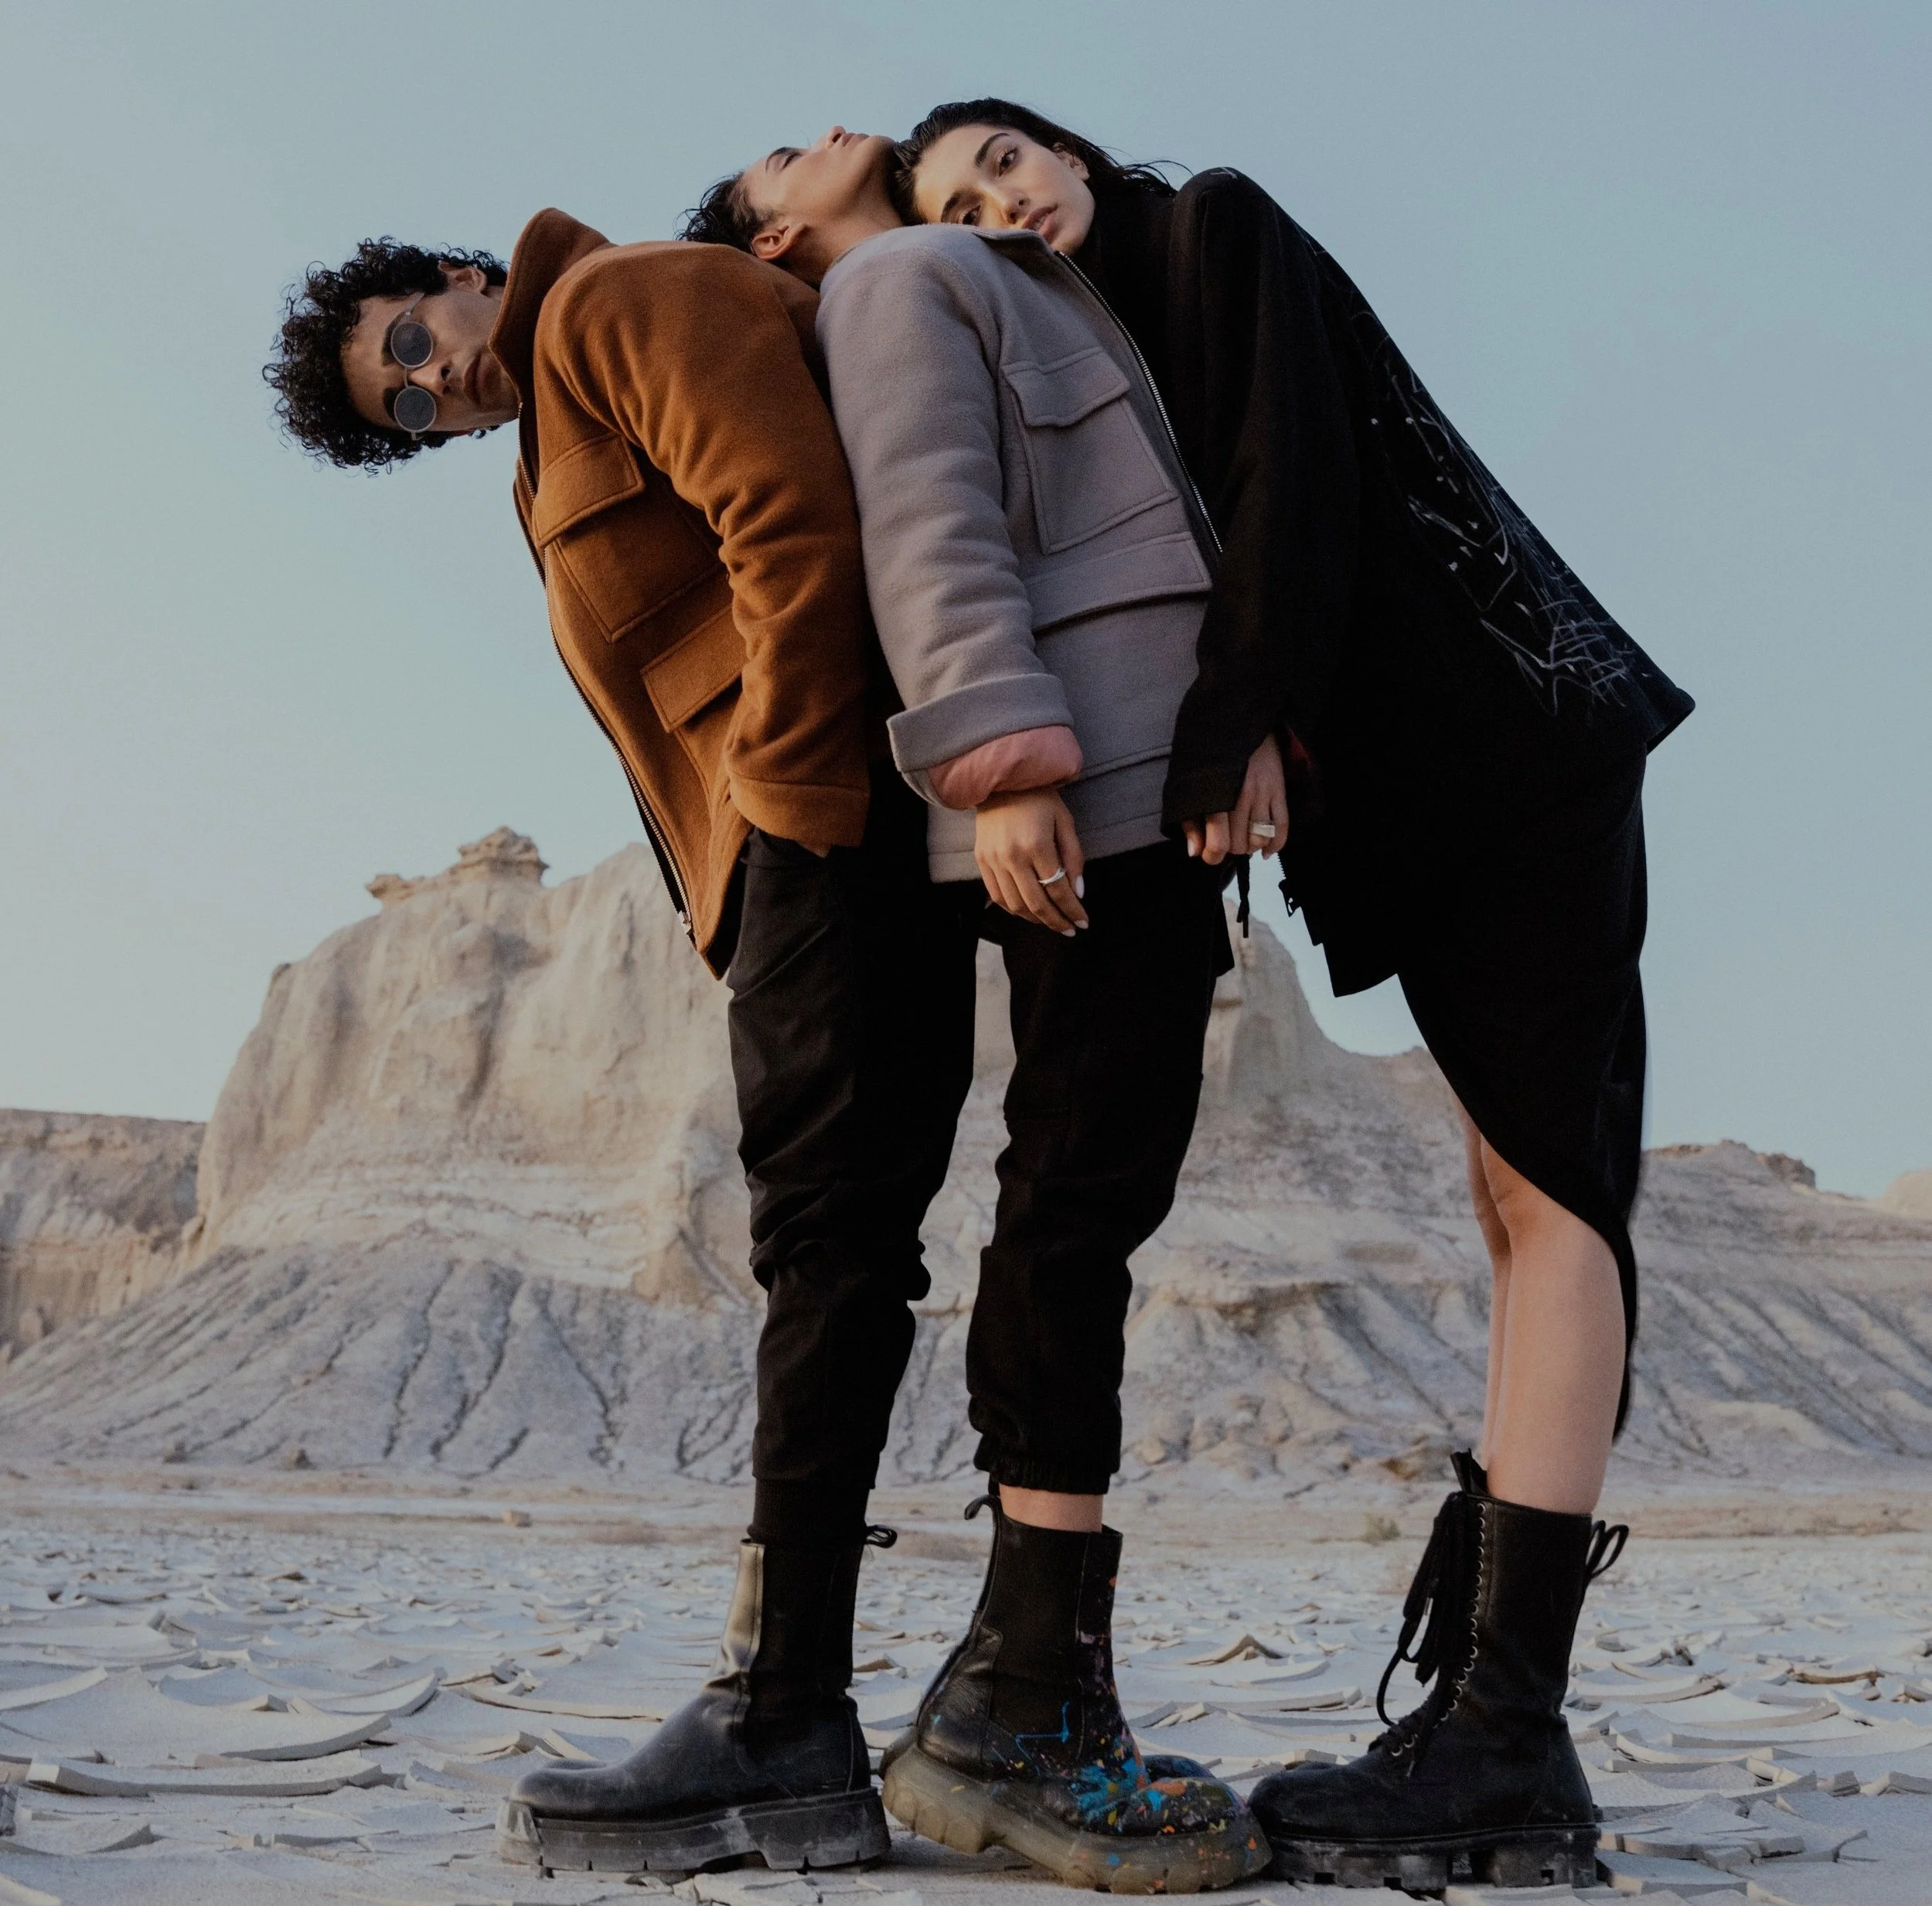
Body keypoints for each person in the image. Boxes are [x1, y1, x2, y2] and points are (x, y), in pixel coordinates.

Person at [898, 101, 1693, 1893]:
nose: (997, 205)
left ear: (1066, 150)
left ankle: (1509, 1735)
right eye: (956, 205)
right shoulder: (1115, 351)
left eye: (1002, 160)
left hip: (1510, 749)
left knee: (1557, 1196)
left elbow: (1297, 483)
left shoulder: (1213, 229)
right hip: (1436, 792)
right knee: (1517, 1198)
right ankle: (1492, 1721)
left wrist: (1228, 725)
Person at [264, 190, 956, 1877]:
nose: (431, 384)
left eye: (410, 344)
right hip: (812, 838)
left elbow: (792, 517)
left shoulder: (610, 303)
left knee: (824, 1244)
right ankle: (818, 1705)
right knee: (841, 1247)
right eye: (402, 409)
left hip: (823, 819)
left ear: (454, 275)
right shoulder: (550, 425)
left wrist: (788, 809)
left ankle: (785, 1714)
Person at [684, 129, 1271, 1891]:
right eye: (775, 159)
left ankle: (1021, 1682)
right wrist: (1000, 761)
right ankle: (1015, 1704)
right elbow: (932, 517)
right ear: (776, 236)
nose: (819, 129)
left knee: (1089, 1195)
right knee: (1077, 1201)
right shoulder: (896, 276)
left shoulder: (971, 271)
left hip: (1128, 764)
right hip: (1078, 780)